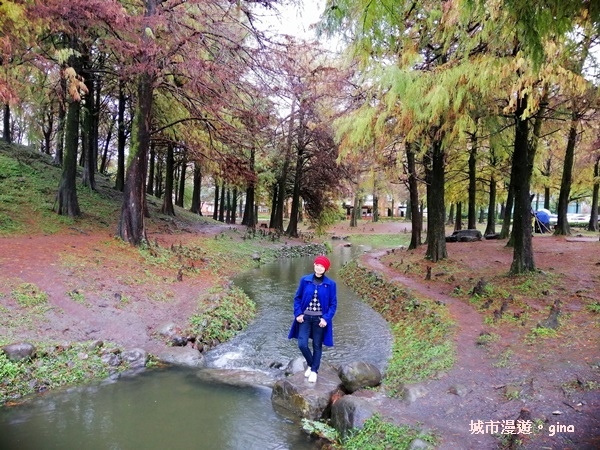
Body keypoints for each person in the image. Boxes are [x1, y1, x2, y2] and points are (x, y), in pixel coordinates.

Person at [288, 255, 337, 383]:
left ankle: (314, 371)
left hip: (319, 320)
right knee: (302, 344)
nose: (319, 268)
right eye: (317, 265)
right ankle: (311, 364)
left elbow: (333, 304)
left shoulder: (330, 284)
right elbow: (297, 298)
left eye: (322, 266)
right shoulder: (305, 280)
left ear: (325, 269)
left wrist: (326, 319)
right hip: (305, 318)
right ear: (314, 265)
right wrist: (298, 313)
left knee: (317, 345)